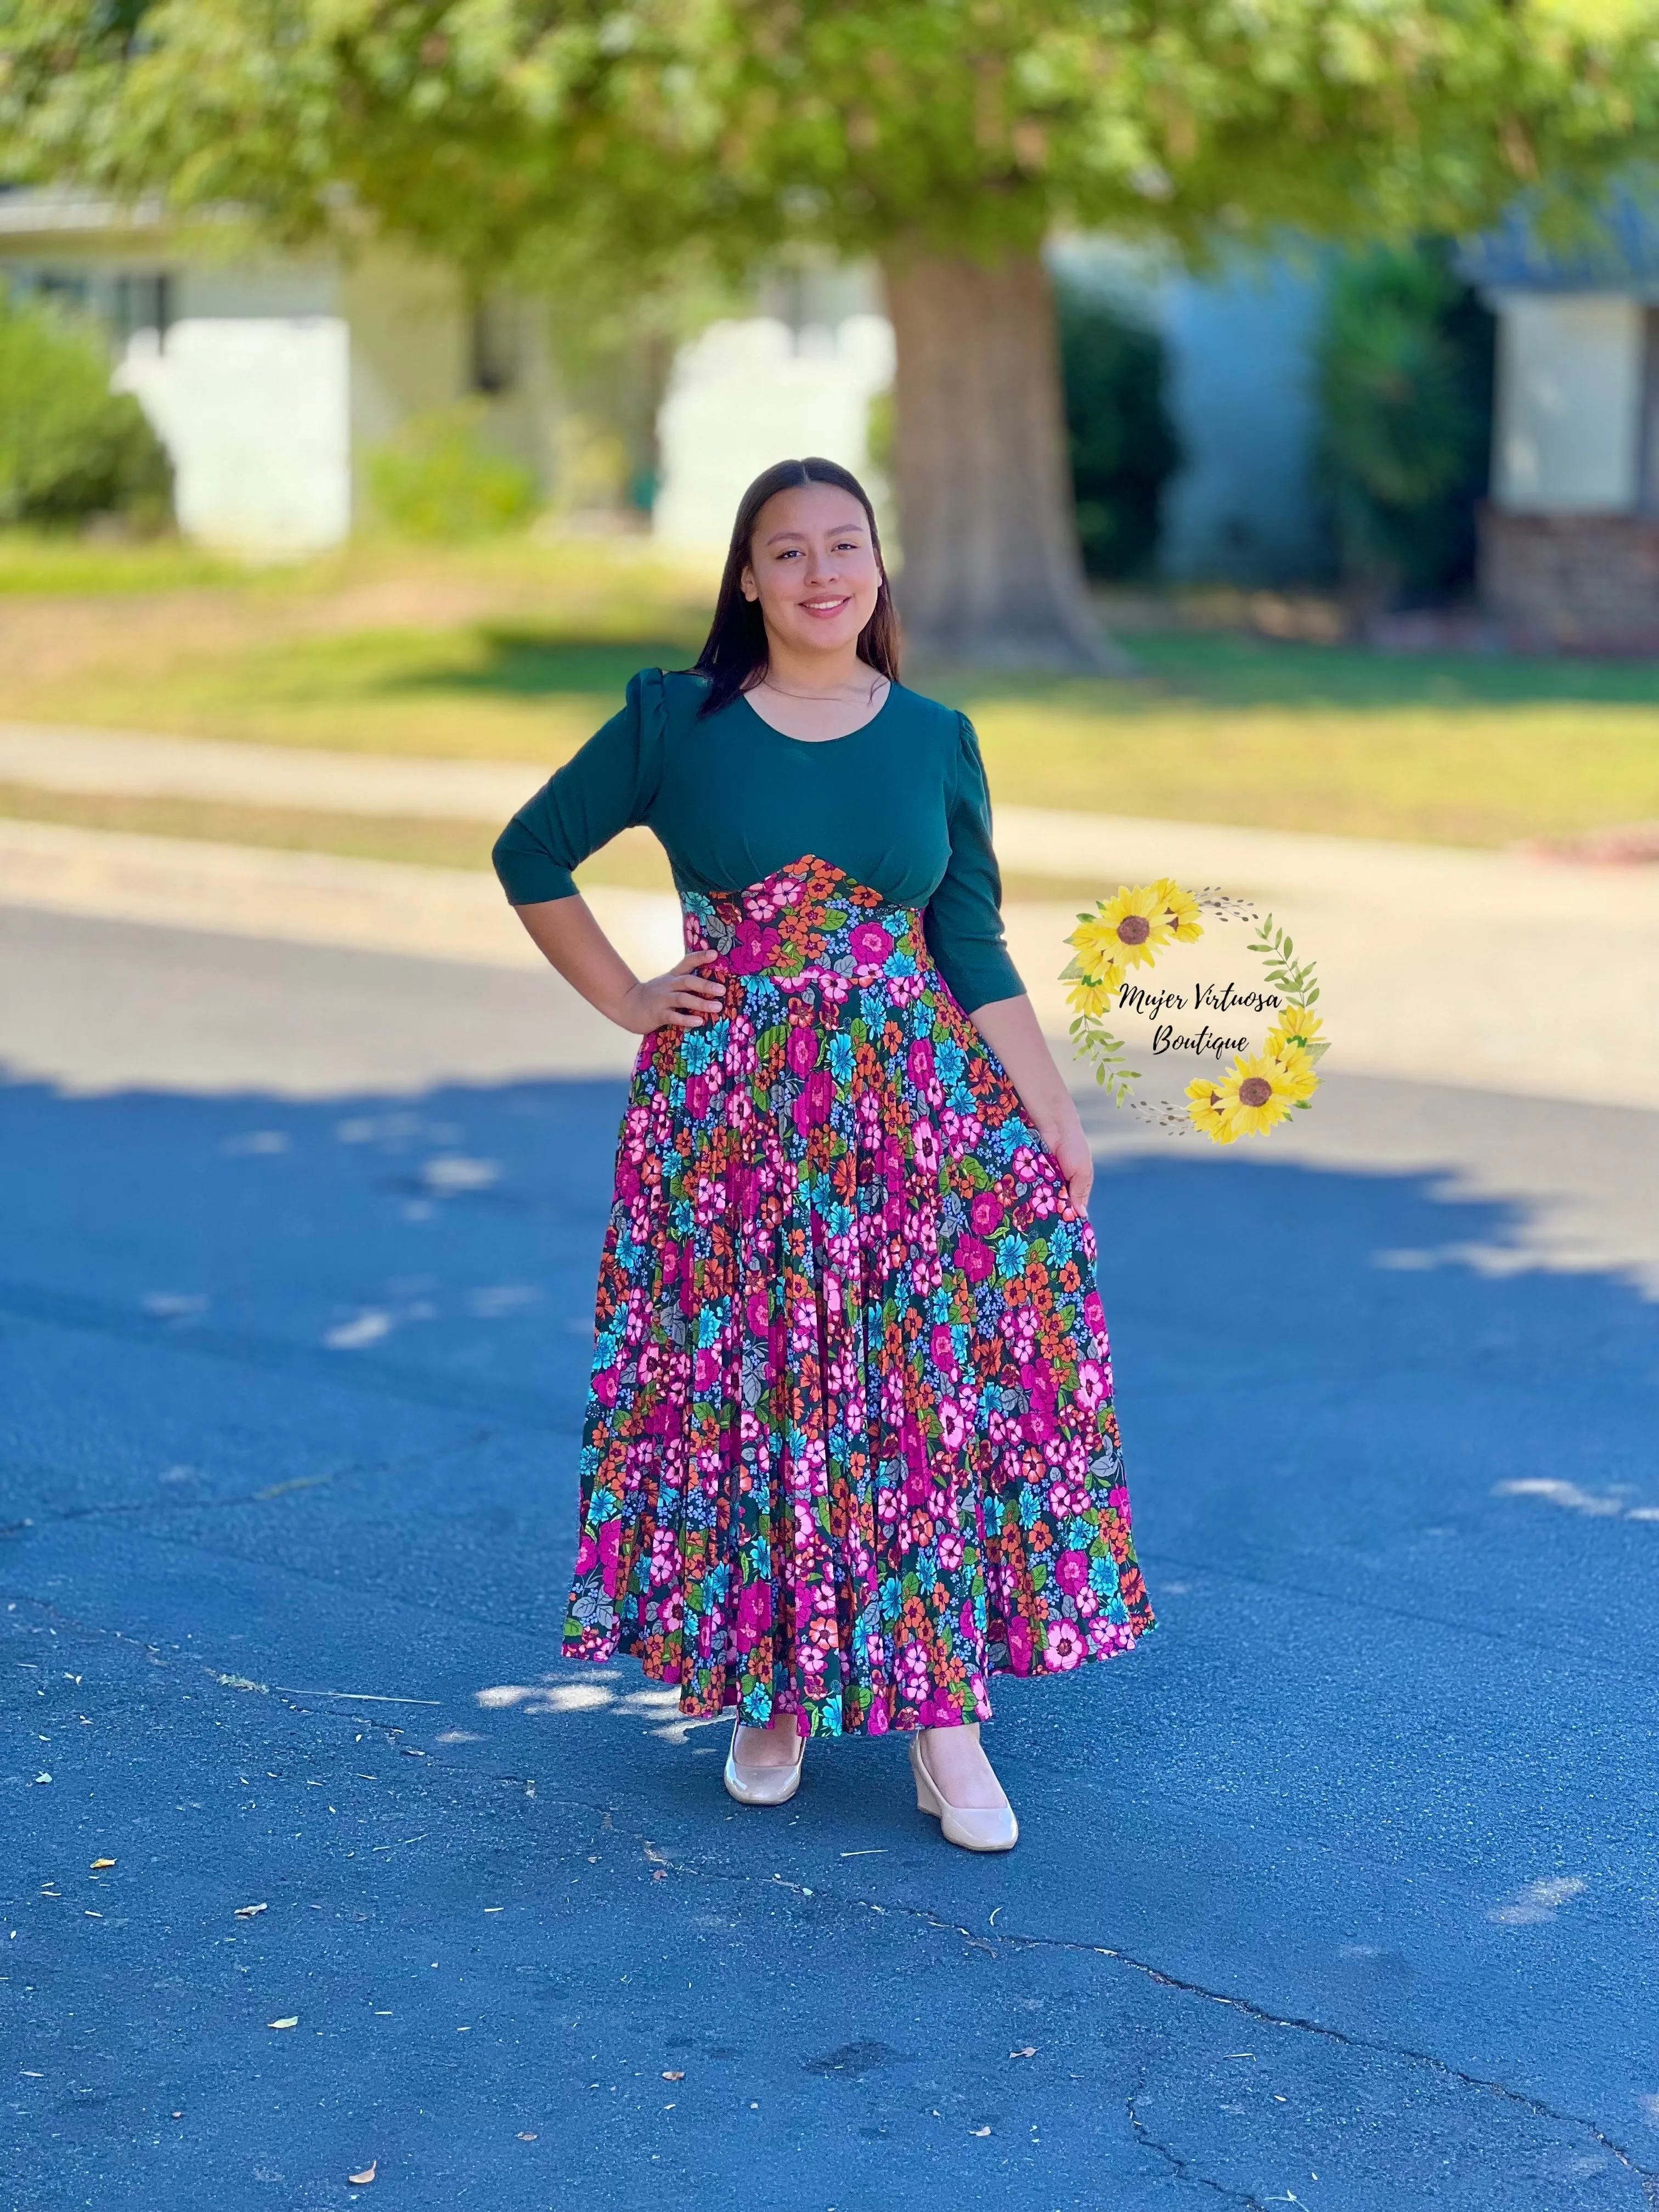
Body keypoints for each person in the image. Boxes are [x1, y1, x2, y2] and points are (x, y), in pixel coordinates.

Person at [493, 457, 1154, 1852]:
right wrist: (626, 996)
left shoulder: (935, 738)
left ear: (878, 566)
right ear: (747, 578)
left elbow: (968, 940)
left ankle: (944, 1725)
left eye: (843, 546)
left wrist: (1052, 1109)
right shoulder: (680, 723)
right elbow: (531, 852)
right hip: (731, 1119)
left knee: (913, 1400)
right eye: (785, 552)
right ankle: (767, 1692)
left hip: (911, 1115)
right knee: (760, 1386)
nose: (818, 573)